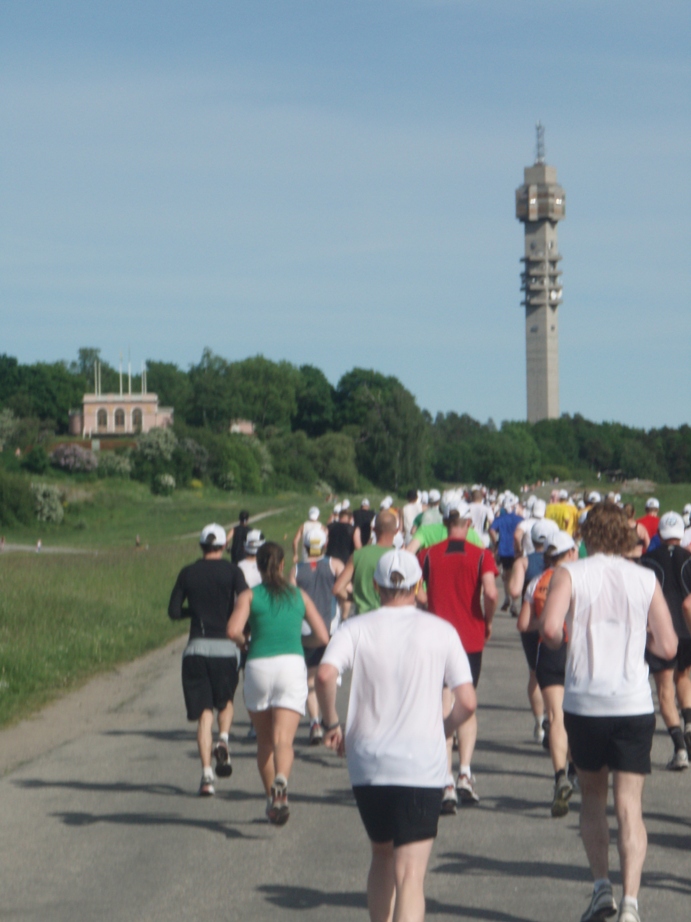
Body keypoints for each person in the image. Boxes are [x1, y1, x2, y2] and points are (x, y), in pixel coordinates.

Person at [316, 549, 477, 922]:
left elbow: (325, 675)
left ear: (375, 586)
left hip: (368, 760)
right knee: (411, 875)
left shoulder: (354, 628)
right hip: (421, 762)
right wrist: (444, 729)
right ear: (420, 585)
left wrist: (332, 723)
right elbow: (467, 701)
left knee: (382, 855)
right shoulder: (441, 630)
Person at [539, 502, 678, 922]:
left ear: (587, 535)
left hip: (585, 700)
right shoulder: (644, 579)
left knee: (594, 799)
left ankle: (602, 888)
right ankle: (632, 902)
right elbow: (668, 646)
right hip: (632, 702)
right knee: (630, 805)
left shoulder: (570, 573)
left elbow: (548, 629)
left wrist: (569, 642)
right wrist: (642, 647)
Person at [227, 542, 329, 824]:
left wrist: (245, 642)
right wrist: (300, 641)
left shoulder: (249, 595)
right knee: (284, 738)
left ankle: (272, 800)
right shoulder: (298, 595)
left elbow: (233, 630)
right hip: (291, 665)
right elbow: (322, 636)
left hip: (258, 665)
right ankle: (282, 780)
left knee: (265, 742)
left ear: (258, 566)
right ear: (283, 565)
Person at [419, 495, 498, 811]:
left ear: (443, 522)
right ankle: (465, 771)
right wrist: (487, 618)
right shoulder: (481, 555)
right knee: (467, 704)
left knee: (444, 702)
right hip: (469, 637)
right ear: (468, 523)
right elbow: (491, 592)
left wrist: (430, 601)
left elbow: (414, 589)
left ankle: (445, 779)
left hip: (437, 636)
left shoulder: (428, 554)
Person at [168, 524, 248, 796]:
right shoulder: (233, 572)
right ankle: (223, 740)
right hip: (226, 649)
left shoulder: (187, 573)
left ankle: (206, 777)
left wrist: (198, 612)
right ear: (224, 546)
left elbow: (174, 611)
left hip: (196, 649)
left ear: (201, 545)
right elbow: (245, 602)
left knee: (204, 715)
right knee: (225, 703)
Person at [519, 530, 579, 817]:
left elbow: (523, 624)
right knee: (577, 716)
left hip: (549, 651)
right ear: (569, 554)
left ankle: (560, 776)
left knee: (555, 716)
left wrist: (544, 620)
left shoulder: (536, 582)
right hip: (577, 650)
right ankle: (579, 767)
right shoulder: (578, 578)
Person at [639, 511, 691, 770]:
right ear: (681, 535)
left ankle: (680, 747)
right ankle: (689, 724)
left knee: (665, 691)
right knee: (684, 678)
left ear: (658, 534)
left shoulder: (646, 560)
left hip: (660, 631)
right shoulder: (689, 558)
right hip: (687, 629)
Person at [291, 529, 345, 744]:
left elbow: (292, 599)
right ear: (324, 545)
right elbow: (344, 589)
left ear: (305, 546)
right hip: (331, 627)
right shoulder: (335, 565)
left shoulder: (295, 570)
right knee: (329, 675)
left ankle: (314, 720)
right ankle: (328, 717)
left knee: (310, 677)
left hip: (307, 630)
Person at [510, 520, 552, 743]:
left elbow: (514, 590)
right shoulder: (560, 563)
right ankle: (554, 719)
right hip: (556, 624)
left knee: (535, 673)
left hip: (531, 621)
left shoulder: (524, 562)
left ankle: (540, 723)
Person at [333, 510, 398, 616]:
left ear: (374, 530)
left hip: (362, 616)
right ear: (397, 531)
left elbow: (337, 589)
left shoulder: (358, 555)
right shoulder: (400, 556)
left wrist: (356, 598)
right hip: (389, 617)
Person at [489, 498, 523, 612]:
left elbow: (491, 530)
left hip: (504, 549)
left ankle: (507, 597)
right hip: (516, 550)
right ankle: (514, 603)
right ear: (514, 507)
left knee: (507, 575)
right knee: (515, 576)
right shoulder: (520, 519)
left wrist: (496, 543)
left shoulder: (500, 519)